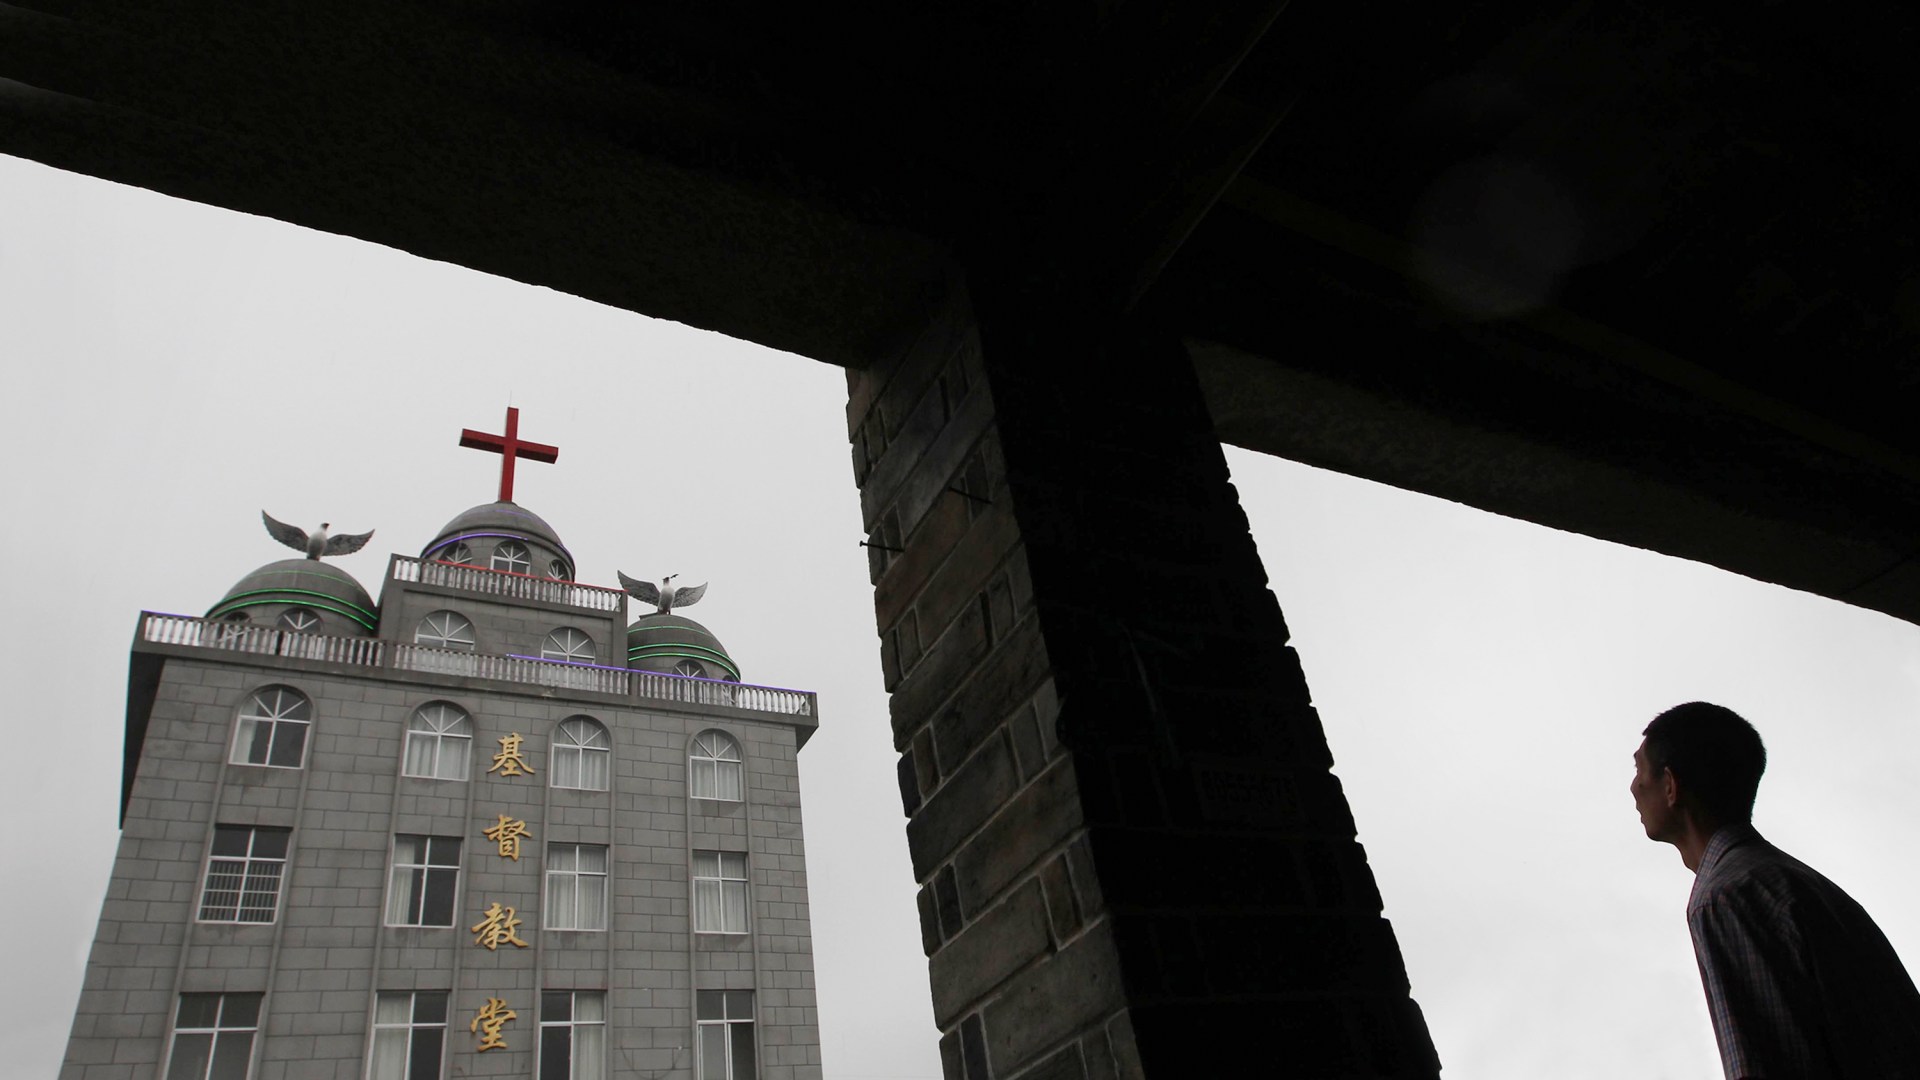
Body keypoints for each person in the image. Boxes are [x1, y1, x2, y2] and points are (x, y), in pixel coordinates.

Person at [1630, 701, 1920, 1078]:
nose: (1634, 787)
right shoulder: (1795, 882)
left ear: (1670, 786)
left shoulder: (1727, 895)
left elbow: (1771, 1063)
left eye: (1640, 771)